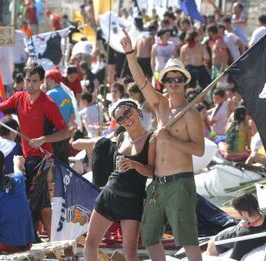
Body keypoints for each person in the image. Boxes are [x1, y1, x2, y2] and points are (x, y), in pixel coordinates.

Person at [121, 29, 205, 261]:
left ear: (184, 82)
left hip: (181, 181)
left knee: (188, 239)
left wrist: (171, 140)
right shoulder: (160, 105)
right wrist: (129, 53)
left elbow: (199, 150)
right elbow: (140, 81)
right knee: (149, 238)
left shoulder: (191, 114)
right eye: (169, 79)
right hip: (158, 183)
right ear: (164, 82)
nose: (174, 83)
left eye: (178, 79)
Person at [0, 63, 70, 238]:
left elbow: (65, 132)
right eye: (28, 80)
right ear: (23, 80)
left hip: (43, 158)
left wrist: (44, 139)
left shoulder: (48, 104)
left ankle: (34, 235)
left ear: (42, 82)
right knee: (40, 201)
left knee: (29, 196)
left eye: (35, 81)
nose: (30, 85)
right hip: (27, 156)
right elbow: (1, 106)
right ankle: (44, 237)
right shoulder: (19, 97)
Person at [84, 99, 155, 261]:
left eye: (127, 113)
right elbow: (89, 143)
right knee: (90, 243)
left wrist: (134, 164)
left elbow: (152, 172)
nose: (126, 119)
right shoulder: (122, 136)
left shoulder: (151, 139)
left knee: (130, 252)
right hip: (109, 193)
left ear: (136, 110)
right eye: (120, 119)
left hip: (132, 199)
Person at [205, 193, 266, 259]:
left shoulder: (244, 235)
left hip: (222, 240)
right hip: (219, 240)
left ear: (244, 213)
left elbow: (234, 258)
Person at [45, 69, 75, 163]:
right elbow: (72, 117)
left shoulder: (50, 94)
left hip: (53, 135)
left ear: (50, 80)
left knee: (54, 165)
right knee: (64, 164)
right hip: (65, 134)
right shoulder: (67, 95)